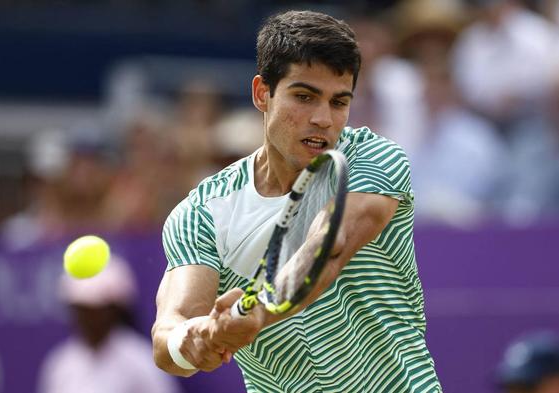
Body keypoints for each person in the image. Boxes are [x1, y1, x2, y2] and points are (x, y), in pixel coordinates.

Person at [152, 10, 441, 392]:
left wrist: (256, 311)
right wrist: (195, 341)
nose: (323, 119)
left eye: (339, 102)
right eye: (304, 97)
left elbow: (328, 247)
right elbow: (171, 330)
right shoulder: (201, 213)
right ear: (262, 93)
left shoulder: (373, 159)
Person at [38, 256, 180, 393]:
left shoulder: (141, 361)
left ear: (116, 310)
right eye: (82, 310)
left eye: (96, 310)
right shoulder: (60, 363)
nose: (88, 318)